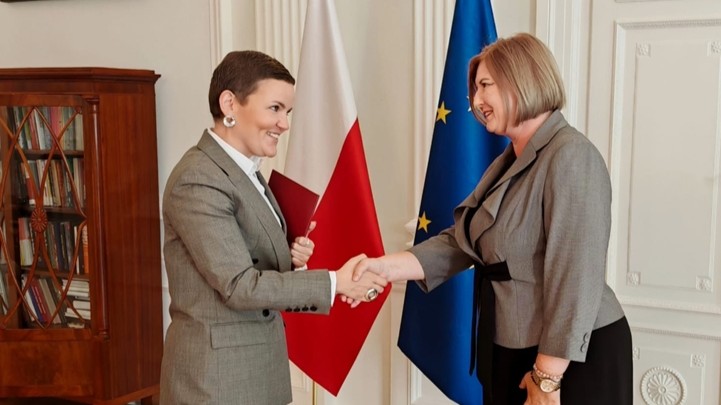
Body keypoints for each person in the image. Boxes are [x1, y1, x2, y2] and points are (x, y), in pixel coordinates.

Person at [349, 33, 632, 405]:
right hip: (512, 347)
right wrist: (384, 267)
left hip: (568, 358)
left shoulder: (571, 155)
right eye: (476, 89)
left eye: (486, 86)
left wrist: (547, 377)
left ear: (523, 80)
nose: (476, 100)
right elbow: (463, 242)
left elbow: (576, 274)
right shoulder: (510, 159)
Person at [159, 50, 388, 405]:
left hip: (258, 370)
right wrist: (335, 282)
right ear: (230, 104)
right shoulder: (198, 178)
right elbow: (240, 286)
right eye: (275, 108)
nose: (284, 124)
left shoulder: (244, 171)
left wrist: (289, 256)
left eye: (287, 112)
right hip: (217, 382)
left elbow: (249, 259)